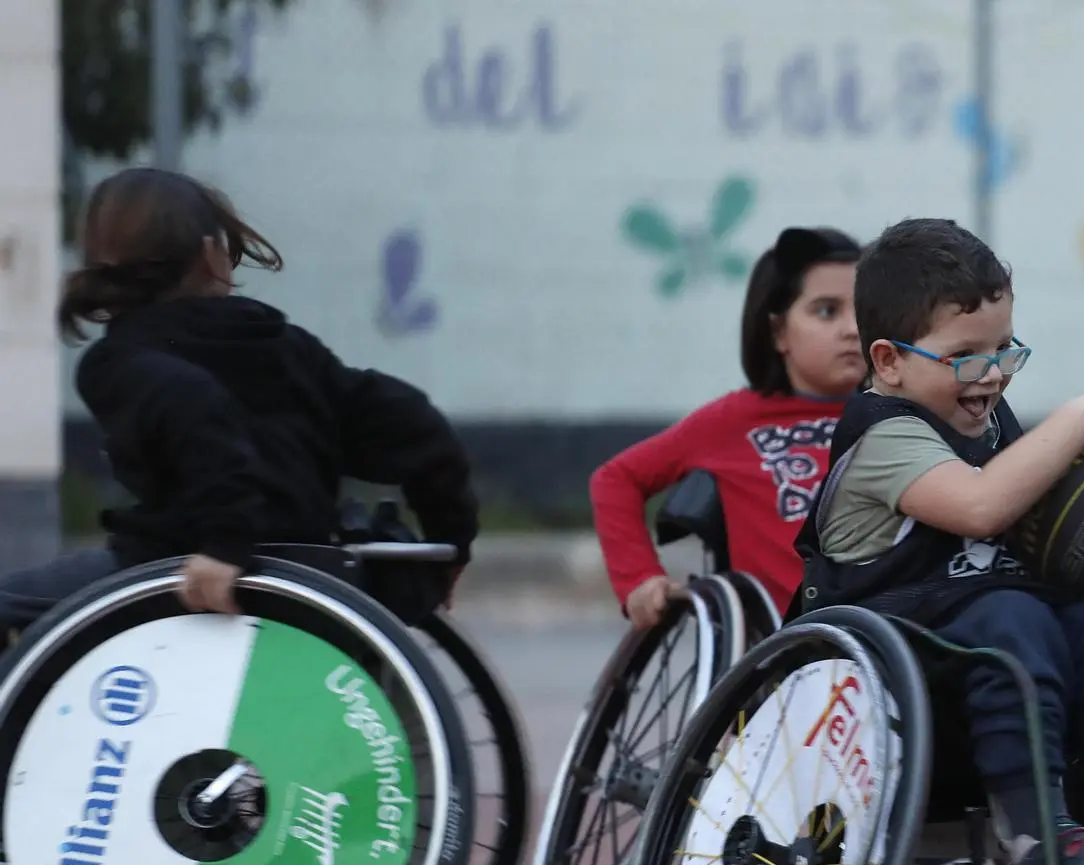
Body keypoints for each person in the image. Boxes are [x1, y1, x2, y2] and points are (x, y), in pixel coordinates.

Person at [793, 216, 1084, 865]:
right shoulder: (887, 436)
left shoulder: (992, 423)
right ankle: (1041, 846)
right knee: (1009, 616)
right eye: (964, 356)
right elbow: (982, 509)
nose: (989, 374)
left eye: (1003, 351)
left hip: (1003, 677)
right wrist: (1082, 414)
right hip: (898, 698)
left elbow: (1035, 534)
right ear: (888, 362)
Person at [2, 167, 476, 642]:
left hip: (177, 572)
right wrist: (450, 541)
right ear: (213, 257)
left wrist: (227, 543)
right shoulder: (292, 349)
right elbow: (414, 426)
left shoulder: (120, 363)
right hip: (313, 576)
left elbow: (197, 409)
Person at [589, 227, 866, 622]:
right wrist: (640, 579)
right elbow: (616, 479)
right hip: (785, 643)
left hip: (883, 630)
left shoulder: (892, 414)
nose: (853, 329)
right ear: (778, 331)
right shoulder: (732, 421)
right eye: (826, 311)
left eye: (864, 311)